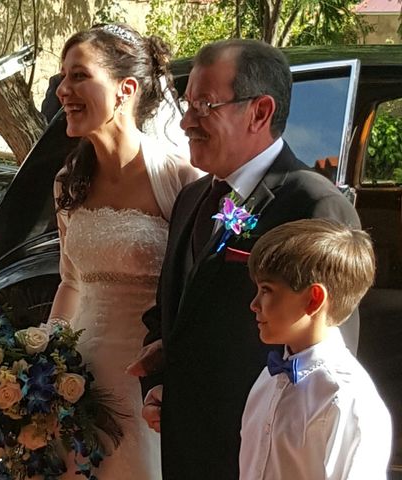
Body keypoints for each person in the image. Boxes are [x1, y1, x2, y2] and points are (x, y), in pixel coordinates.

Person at [127, 39, 361, 479]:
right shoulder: (192, 198)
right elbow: (171, 315)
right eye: (187, 103)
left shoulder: (313, 205)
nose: (185, 121)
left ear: (260, 112)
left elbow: (330, 358)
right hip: (184, 450)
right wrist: (159, 385)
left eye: (204, 105)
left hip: (263, 457)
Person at [46, 23, 202, 479]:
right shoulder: (66, 183)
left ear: (124, 90)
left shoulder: (179, 177)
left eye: (79, 76)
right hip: (76, 380)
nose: (63, 90)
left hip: (144, 383)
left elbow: (196, 289)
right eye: (62, 77)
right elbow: (71, 281)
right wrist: (39, 361)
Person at [240, 219, 392, 479]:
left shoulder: (344, 398)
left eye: (267, 290)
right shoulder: (268, 378)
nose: (254, 304)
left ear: (314, 299)